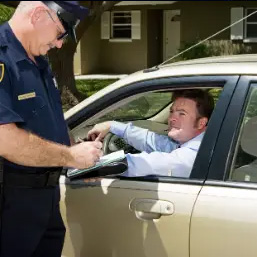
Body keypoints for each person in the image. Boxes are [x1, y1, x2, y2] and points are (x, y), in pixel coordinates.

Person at [0, 2, 102, 257]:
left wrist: (76, 156)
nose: (59, 44)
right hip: (10, 203)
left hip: (45, 198)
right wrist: (70, 157)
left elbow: (47, 121)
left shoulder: (39, 62)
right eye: (60, 33)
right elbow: (5, 140)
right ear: (37, 14)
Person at [88, 89, 214, 178]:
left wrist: (85, 161)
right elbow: (154, 142)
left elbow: (141, 164)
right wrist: (112, 126)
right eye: (172, 112)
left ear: (201, 123)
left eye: (182, 113)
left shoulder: (192, 155)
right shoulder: (200, 141)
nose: (172, 119)